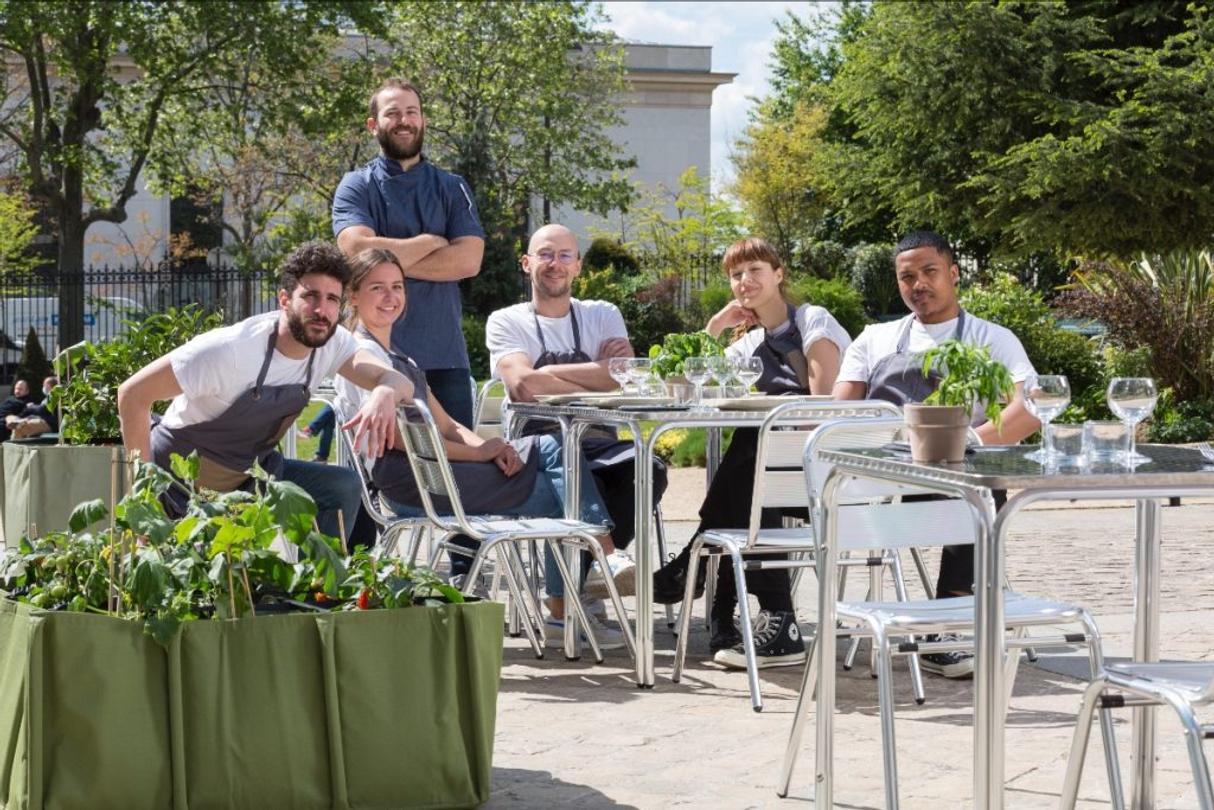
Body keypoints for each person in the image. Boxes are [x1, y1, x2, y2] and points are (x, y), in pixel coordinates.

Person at [334, 247, 628, 648]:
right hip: (414, 482)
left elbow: (448, 424)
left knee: (559, 448)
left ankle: (585, 578)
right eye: (377, 288)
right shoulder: (361, 356)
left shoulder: (399, 355)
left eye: (397, 287)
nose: (390, 297)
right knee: (566, 490)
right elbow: (404, 441)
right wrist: (480, 454)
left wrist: (492, 444)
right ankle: (586, 578)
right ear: (353, 296)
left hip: (439, 470)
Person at [833, 229, 1039, 678]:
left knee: (981, 486)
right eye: (907, 277)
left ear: (954, 273)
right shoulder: (875, 339)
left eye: (929, 272)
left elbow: (1030, 408)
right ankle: (949, 621)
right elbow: (838, 413)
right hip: (880, 478)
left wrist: (970, 442)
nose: (918, 285)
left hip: (956, 472)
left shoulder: (992, 339)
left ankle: (946, 625)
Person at [117, 242, 414, 543]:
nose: (321, 310)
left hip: (251, 479)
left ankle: (319, 587)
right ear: (284, 299)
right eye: (310, 296)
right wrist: (144, 498)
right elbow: (132, 394)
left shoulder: (333, 342)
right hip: (180, 484)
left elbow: (397, 380)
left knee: (343, 486)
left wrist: (383, 393)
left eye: (332, 299)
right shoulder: (231, 350)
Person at [651, 236, 853, 670]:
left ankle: (694, 568)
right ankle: (751, 618)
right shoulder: (747, 345)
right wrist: (716, 325)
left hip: (827, 471)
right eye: (736, 275)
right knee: (752, 464)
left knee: (755, 449)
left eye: (755, 270)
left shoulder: (812, 322)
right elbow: (686, 382)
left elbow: (825, 404)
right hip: (770, 476)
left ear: (778, 274)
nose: (745, 281)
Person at [486, 223, 670, 606]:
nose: (555, 264)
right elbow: (524, 386)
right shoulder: (506, 320)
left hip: (600, 441)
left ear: (578, 266)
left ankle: (584, 584)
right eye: (546, 254)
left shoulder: (602, 314)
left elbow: (624, 378)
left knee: (649, 469)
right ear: (526, 263)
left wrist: (550, 373)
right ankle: (583, 586)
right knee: (571, 468)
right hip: (536, 447)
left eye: (565, 255)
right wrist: (598, 374)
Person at [332, 77, 485, 427]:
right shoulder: (356, 185)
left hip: (444, 357)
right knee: (386, 467)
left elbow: (469, 260)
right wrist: (432, 242)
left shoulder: (452, 186)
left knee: (457, 470)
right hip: (375, 356)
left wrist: (382, 261)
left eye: (411, 112)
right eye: (393, 113)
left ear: (423, 120)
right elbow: (355, 250)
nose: (404, 120)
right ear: (374, 125)